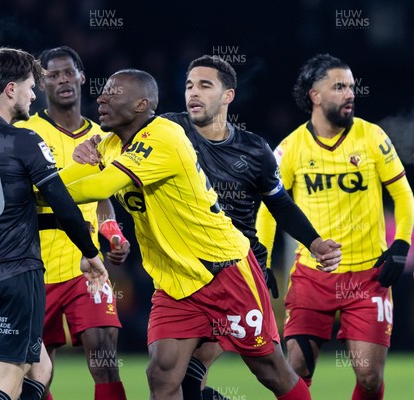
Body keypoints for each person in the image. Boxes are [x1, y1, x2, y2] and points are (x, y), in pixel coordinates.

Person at [73, 55, 342, 400]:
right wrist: (92, 144)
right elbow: (116, 144)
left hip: (232, 270)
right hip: (180, 274)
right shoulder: (163, 130)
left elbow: (280, 205)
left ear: (228, 95)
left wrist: (314, 242)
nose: (193, 93)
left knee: (268, 369)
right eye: (188, 85)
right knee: (167, 376)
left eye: (204, 85)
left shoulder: (254, 150)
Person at [0, 47, 108, 400]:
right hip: (17, 274)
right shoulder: (23, 140)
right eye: (31, 86)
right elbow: (63, 205)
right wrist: (91, 251)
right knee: (5, 380)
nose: (35, 94)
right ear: (10, 89)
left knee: (41, 369)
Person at [256, 54, 414, 400]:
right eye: (339, 86)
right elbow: (270, 208)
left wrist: (401, 244)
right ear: (315, 95)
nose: (350, 94)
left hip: (367, 275)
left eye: (352, 87)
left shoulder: (372, 137)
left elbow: (403, 194)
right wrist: (263, 258)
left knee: (370, 377)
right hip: (313, 276)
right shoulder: (292, 147)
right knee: (295, 369)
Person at [15, 46, 129, 400]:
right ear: (41, 83)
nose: (63, 79)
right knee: (37, 372)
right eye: (53, 74)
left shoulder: (105, 136)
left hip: (87, 263)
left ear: (82, 77)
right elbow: (29, 195)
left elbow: (104, 198)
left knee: (105, 351)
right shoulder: (25, 133)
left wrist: (112, 232)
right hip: (37, 267)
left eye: (69, 72)